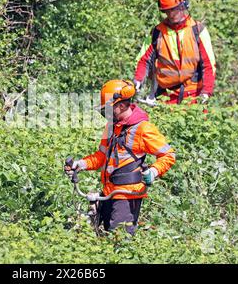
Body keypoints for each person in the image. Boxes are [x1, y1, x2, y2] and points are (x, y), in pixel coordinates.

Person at [64, 79, 175, 235]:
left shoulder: (143, 128)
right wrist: (79, 164)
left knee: (119, 240)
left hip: (128, 194)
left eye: (109, 110)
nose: (106, 114)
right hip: (109, 191)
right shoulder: (111, 127)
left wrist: (153, 172)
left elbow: (168, 155)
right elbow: (101, 156)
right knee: (101, 235)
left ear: (122, 105)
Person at [134, 0, 216, 105]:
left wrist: (206, 92)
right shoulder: (158, 33)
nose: (171, 14)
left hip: (194, 95)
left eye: (174, 9)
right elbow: (143, 61)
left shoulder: (198, 30)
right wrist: (137, 80)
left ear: (183, 5)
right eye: (168, 11)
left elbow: (209, 65)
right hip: (166, 96)